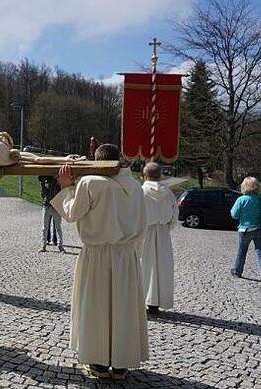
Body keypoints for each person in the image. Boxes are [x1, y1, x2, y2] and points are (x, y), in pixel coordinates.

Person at [51, 143, 148, 380]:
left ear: (97, 162)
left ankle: (99, 364)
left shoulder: (89, 183)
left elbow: (72, 213)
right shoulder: (136, 186)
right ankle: (121, 363)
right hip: (127, 256)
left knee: (97, 306)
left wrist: (65, 188)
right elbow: (143, 224)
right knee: (122, 308)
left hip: (97, 254)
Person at [140, 162, 178, 314]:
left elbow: (135, 213)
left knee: (145, 266)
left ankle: (144, 299)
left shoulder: (141, 191)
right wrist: (166, 227)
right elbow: (175, 215)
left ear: (144, 175)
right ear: (160, 176)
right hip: (162, 233)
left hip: (145, 232)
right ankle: (157, 303)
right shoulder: (168, 193)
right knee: (162, 267)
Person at [230, 176, 261, 286]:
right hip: (260, 229)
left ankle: (237, 271)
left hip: (245, 229)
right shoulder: (260, 199)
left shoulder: (241, 199)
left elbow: (234, 215)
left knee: (241, 252)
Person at [39, 175, 64, 252]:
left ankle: (60, 245)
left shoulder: (58, 182)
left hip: (55, 206)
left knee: (58, 227)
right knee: (45, 227)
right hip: (47, 205)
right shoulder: (46, 181)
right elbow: (43, 193)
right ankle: (43, 245)